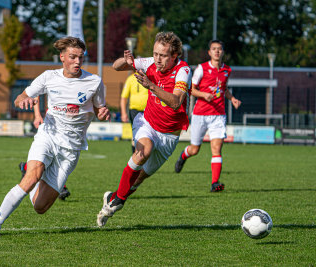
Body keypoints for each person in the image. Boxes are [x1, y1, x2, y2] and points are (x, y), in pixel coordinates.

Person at [0, 37, 110, 237]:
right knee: (33, 176)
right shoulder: (48, 77)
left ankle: (26, 170)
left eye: (81, 58)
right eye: (72, 57)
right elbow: (20, 97)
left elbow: (99, 108)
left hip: (71, 148)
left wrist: (103, 113)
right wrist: (23, 101)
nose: (77, 62)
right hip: (48, 136)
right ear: (62, 57)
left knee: (40, 207)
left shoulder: (94, 82)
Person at [96, 32, 192, 227]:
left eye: (163, 55)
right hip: (146, 122)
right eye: (155, 54)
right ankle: (117, 202)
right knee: (143, 151)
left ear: (174, 56)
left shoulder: (183, 71)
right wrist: (127, 60)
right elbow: (115, 67)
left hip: (169, 137)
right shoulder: (150, 62)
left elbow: (175, 102)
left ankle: (113, 197)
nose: (158, 59)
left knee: (137, 180)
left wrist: (151, 86)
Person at [174, 40, 242, 192]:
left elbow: (224, 89)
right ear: (209, 52)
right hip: (200, 114)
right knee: (194, 149)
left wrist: (232, 99)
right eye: (214, 49)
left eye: (219, 49)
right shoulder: (202, 68)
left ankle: (214, 183)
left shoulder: (227, 70)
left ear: (222, 52)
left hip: (218, 115)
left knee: (216, 148)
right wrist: (204, 94)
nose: (217, 51)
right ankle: (183, 156)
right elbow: (190, 89)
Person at [18, 97, 71, 200]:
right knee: (57, 158)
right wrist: (37, 115)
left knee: (61, 158)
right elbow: (37, 92)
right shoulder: (54, 80)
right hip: (53, 124)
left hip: (68, 125)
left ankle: (25, 167)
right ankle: (61, 188)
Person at [120, 72, 148, 153]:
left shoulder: (149, 78)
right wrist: (123, 113)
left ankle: (146, 155)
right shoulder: (131, 79)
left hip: (148, 111)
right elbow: (124, 97)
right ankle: (135, 155)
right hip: (135, 111)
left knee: (149, 134)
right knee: (136, 134)